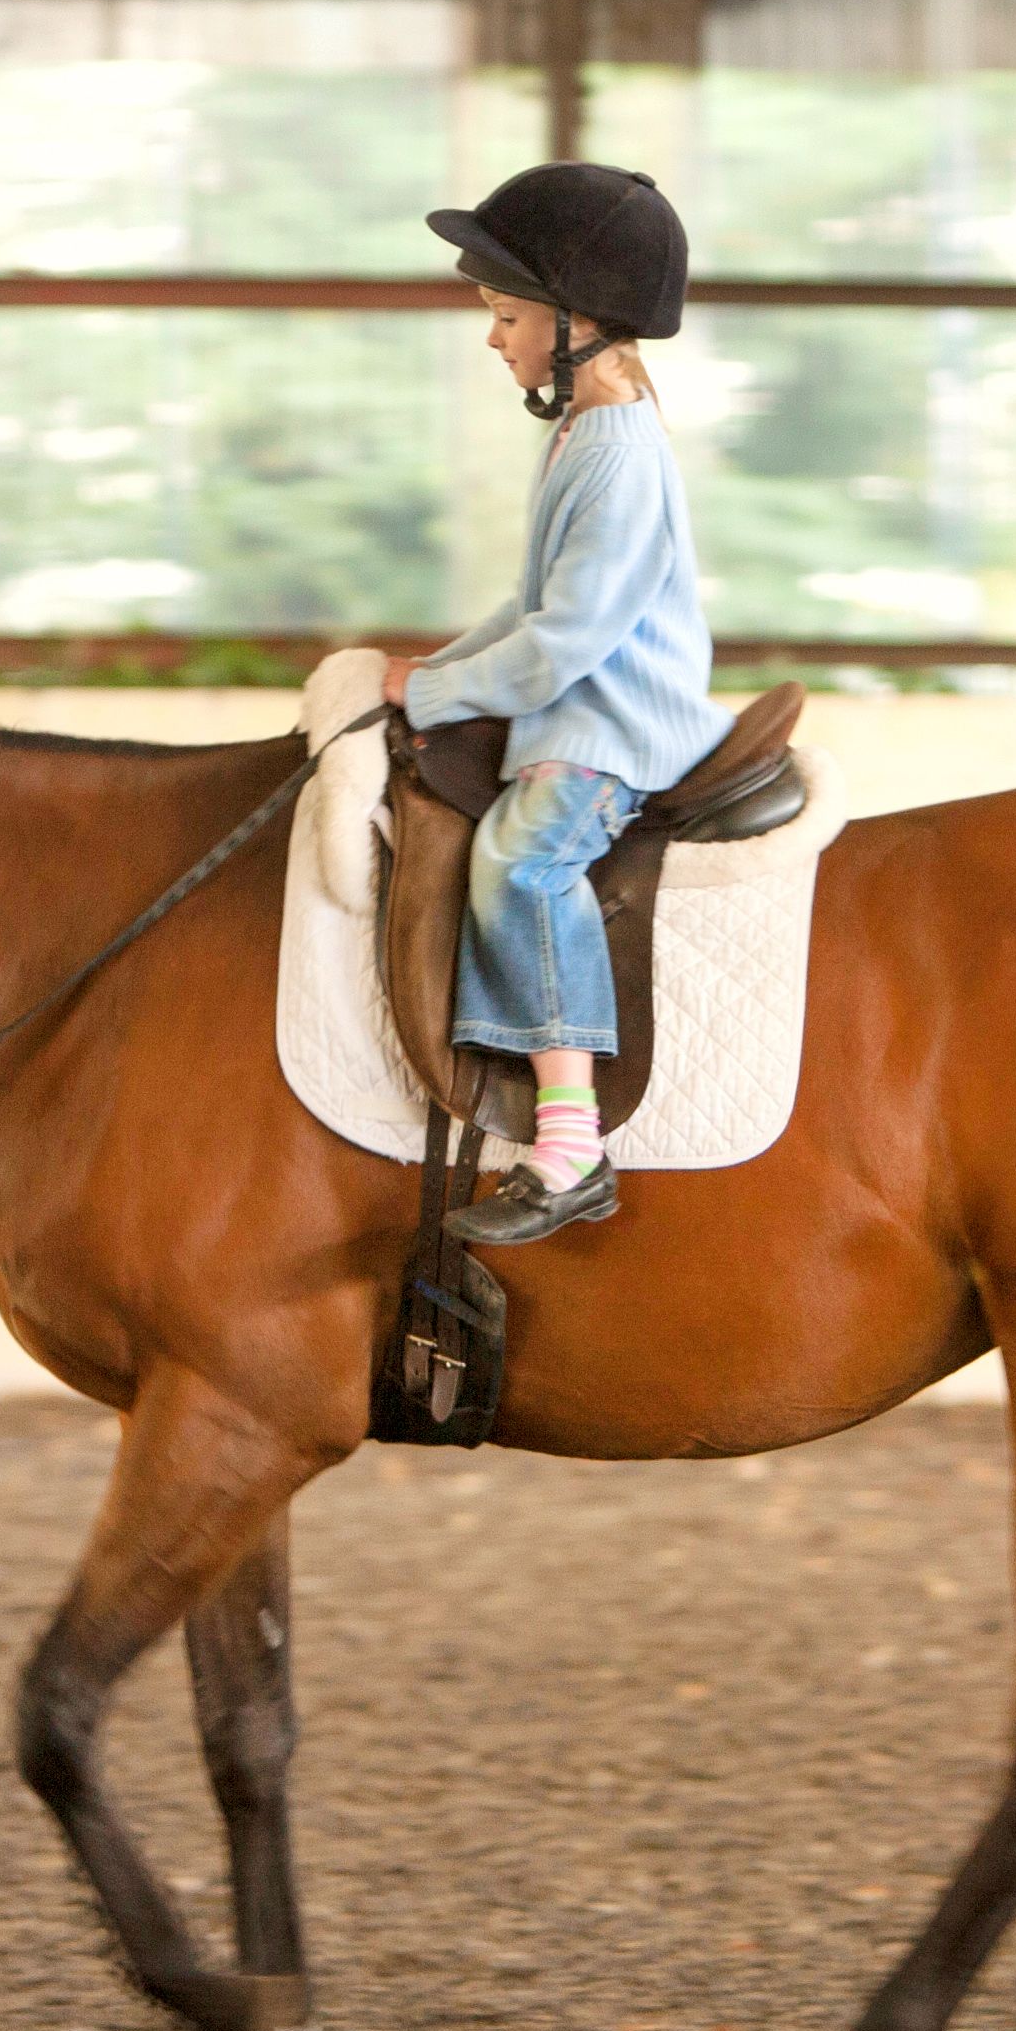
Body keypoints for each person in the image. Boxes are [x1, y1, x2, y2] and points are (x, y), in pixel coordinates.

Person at [383, 161, 731, 1245]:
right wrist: (432, 669)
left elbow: (571, 641)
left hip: (612, 724)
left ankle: (573, 1141)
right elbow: (530, 604)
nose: (495, 339)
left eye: (507, 315)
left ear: (576, 322)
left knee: (521, 864)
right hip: (573, 703)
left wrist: (439, 688)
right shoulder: (580, 432)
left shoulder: (620, 454)